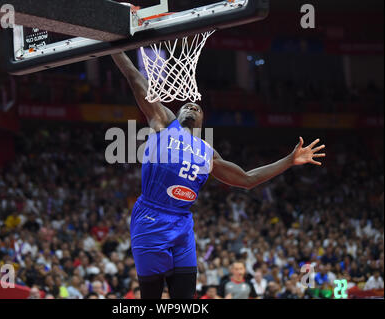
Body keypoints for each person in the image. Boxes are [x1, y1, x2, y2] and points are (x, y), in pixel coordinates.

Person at [112, 52, 326, 299]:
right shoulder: (162, 122)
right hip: (151, 217)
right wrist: (114, 47)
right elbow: (135, 77)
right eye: (186, 106)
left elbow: (247, 179)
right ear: (176, 114)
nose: (192, 107)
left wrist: (289, 161)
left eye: (197, 107)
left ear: (203, 121)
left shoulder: (208, 153)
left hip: (182, 223)